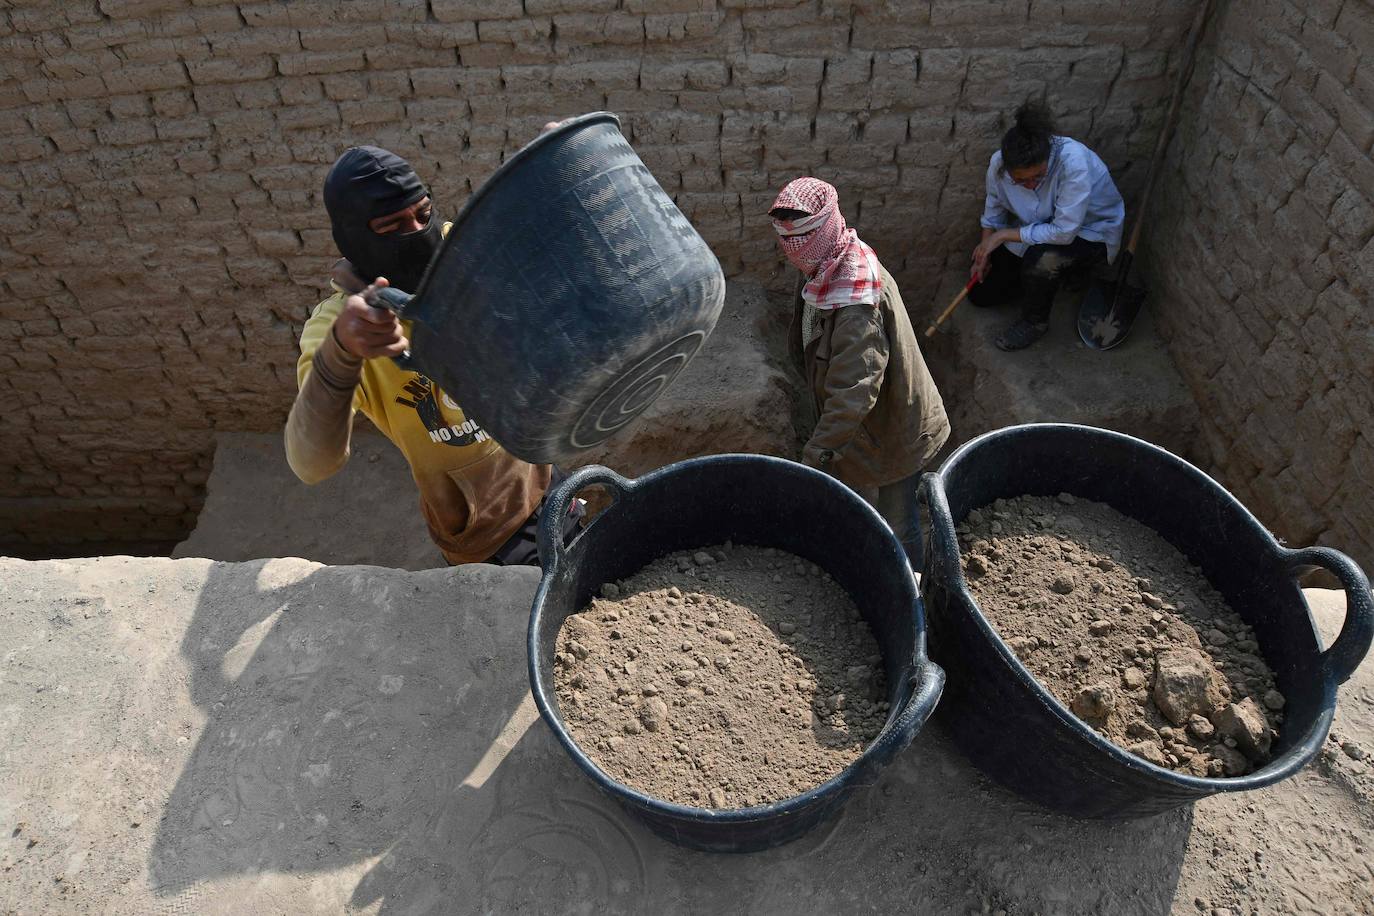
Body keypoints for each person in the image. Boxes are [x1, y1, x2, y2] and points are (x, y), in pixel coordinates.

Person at [284, 144, 581, 567]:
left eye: (423, 215)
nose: (419, 233)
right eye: (393, 227)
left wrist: (560, 177)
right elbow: (310, 463)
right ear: (355, 240)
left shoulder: (457, 249)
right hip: (481, 533)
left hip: (542, 474)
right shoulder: (338, 328)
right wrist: (342, 353)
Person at [769, 177, 951, 569]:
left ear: (822, 230)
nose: (790, 251)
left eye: (797, 240)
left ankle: (913, 595)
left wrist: (815, 459)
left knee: (899, 524)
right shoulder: (823, 262)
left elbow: (854, 391)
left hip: (895, 428)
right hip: (867, 428)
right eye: (784, 240)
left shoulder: (856, 300)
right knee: (865, 510)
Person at [970, 102, 1126, 351]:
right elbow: (994, 209)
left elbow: (1064, 232)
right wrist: (984, 251)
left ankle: (1035, 321)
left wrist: (1001, 236)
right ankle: (1047, 281)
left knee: (1042, 259)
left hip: (1088, 233)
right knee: (981, 295)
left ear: (1047, 161)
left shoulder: (1072, 163)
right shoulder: (997, 165)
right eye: (1021, 180)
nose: (1031, 185)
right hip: (1037, 228)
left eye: (1038, 177)